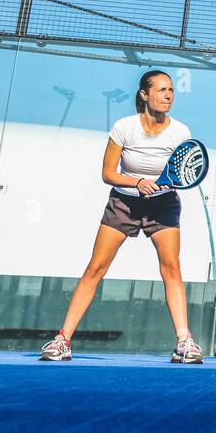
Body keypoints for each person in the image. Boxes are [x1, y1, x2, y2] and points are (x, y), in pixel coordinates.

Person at [39, 70, 204, 363]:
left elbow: (182, 173)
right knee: (96, 268)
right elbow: (108, 173)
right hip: (124, 204)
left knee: (172, 270)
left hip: (163, 205)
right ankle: (62, 341)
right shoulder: (124, 128)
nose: (168, 96)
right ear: (144, 94)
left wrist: (162, 186)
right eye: (162, 90)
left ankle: (184, 342)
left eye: (171, 91)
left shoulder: (180, 132)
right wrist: (137, 183)